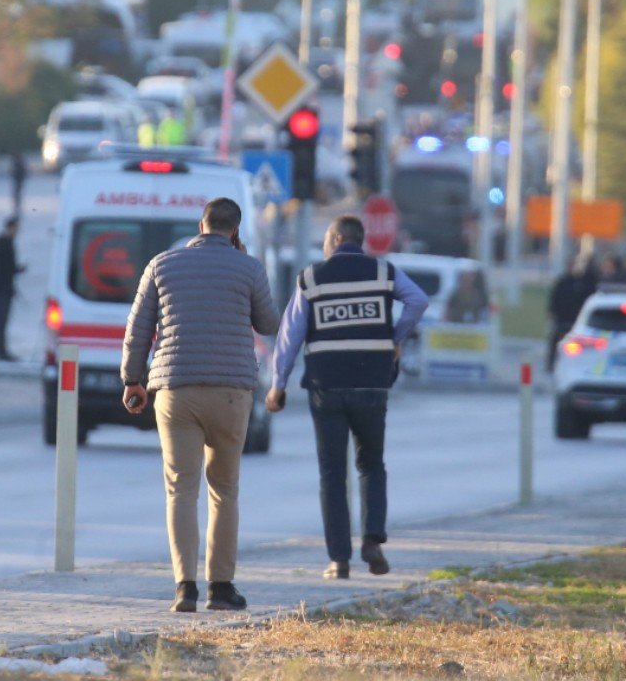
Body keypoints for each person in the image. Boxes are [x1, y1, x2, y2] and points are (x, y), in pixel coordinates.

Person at [122, 198, 279, 614]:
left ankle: (184, 588)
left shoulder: (161, 265)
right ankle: (222, 588)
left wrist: (132, 380)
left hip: (176, 390)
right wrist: (244, 272)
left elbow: (138, 330)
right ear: (235, 229)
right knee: (224, 490)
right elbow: (269, 323)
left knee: (180, 488)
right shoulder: (250, 268)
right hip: (232, 391)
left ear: (201, 225)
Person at [266, 216, 430, 579]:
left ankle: (338, 560)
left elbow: (290, 334)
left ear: (337, 238)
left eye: (325, 239)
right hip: (372, 384)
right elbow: (418, 300)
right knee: (372, 464)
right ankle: (372, 540)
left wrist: (278, 383)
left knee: (332, 473)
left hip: (327, 386)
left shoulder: (312, 277)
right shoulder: (383, 272)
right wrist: (395, 337)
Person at [546, 255, 596, 370]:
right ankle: (552, 363)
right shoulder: (562, 282)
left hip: (576, 318)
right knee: (556, 339)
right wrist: (551, 312)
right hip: (562, 317)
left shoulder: (584, 283)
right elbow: (554, 298)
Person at [0, 217, 25, 361]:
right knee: (0, 320)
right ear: (11, 227)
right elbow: (5, 267)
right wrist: (17, 269)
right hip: (2, 289)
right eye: (16, 228)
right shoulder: (5, 242)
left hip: (2, 288)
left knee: (0, 320)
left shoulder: (0, 241)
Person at [9, 151, 28, 216]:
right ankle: (17, 204)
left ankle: (17, 204)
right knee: (17, 193)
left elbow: (14, 171)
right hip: (18, 180)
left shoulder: (17, 163)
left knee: (17, 193)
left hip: (18, 180)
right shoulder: (20, 163)